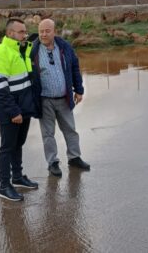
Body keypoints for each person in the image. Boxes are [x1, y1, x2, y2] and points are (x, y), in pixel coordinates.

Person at [31, 18, 90, 177]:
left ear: (54, 31)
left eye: (47, 31)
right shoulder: (32, 51)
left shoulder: (65, 47)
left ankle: (74, 157)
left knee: (70, 130)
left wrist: (79, 90)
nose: (43, 34)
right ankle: (53, 162)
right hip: (44, 100)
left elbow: (74, 67)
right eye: (41, 31)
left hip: (64, 98)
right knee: (48, 134)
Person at [0, 18, 39, 201]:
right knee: (7, 148)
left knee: (18, 144)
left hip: (23, 108)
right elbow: (0, 89)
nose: (25, 35)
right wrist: (13, 112)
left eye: (25, 32)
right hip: (11, 111)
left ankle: (17, 177)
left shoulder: (20, 50)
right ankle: (4, 186)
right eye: (21, 32)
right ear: (10, 33)